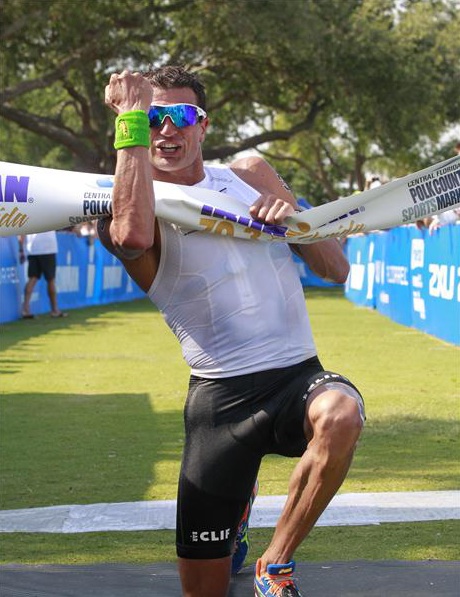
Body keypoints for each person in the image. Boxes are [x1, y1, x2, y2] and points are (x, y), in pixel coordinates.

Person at [100, 66, 365, 597]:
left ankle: (276, 562)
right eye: (152, 119)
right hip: (220, 402)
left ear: (204, 125)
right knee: (204, 591)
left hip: (296, 377)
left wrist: (293, 219)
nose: (166, 131)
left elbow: (336, 269)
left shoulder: (248, 172)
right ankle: (237, 507)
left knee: (342, 414)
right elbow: (129, 236)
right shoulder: (136, 203)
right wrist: (128, 118)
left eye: (179, 117)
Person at [19, 231, 67, 319]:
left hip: (32, 248)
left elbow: (22, 230)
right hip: (47, 247)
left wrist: (21, 248)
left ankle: (25, 310)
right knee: (50, 279)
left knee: (32, 278)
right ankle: (55, 310)